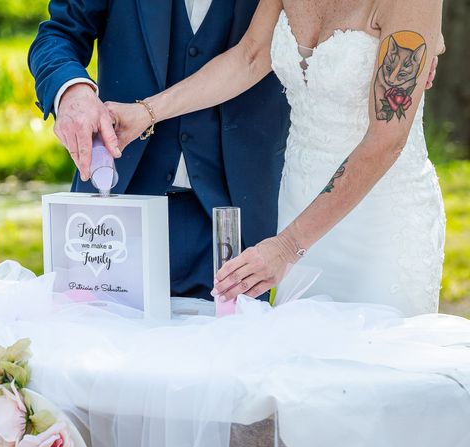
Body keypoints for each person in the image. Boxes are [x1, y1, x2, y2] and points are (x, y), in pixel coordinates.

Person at [107, 0, 446, 316]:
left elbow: (386, 140)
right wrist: (146, 113)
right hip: (298, 199)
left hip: (380, 220)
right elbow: (250, 58)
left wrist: (287, 247)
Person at [28, 0, 291, 299]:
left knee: (229, 344)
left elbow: (255, 56)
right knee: (100, 341)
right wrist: (72, 91)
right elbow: (59, 33)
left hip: (233, 218)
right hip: (116, 212)